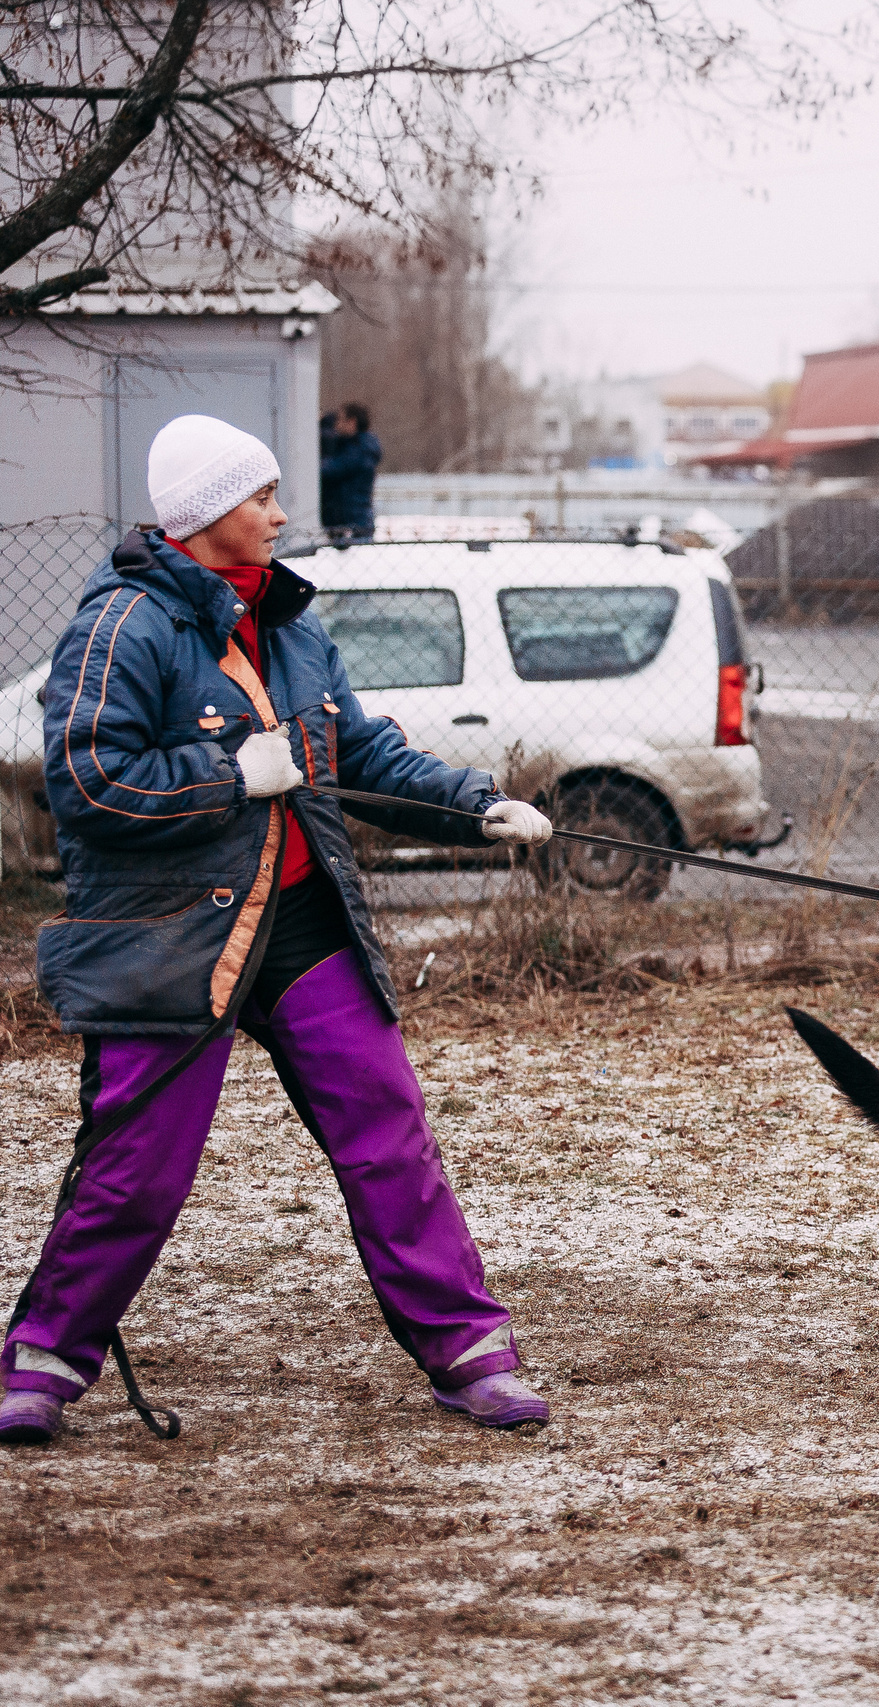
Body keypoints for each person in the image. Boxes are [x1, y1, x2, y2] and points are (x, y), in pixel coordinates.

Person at [1, 414, 555, 1446]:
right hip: (170, 937)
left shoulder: (292, 626)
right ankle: (41, 1362)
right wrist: (229, 775)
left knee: (389, 1136)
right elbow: (87, 779)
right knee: (136, 1170)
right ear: (205, 512)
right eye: (260, 496)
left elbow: (363, 755)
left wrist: (476, 805)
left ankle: (472, 1353)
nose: (281, 513)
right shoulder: (122, 626)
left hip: (304, 923)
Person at [319, 402, 381, 541]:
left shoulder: (360, 451)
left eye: (340, 419)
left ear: (352, 422)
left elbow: (329, 470)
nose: (336, 425)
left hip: (353, 524)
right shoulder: (353, 446)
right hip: (349, 521)